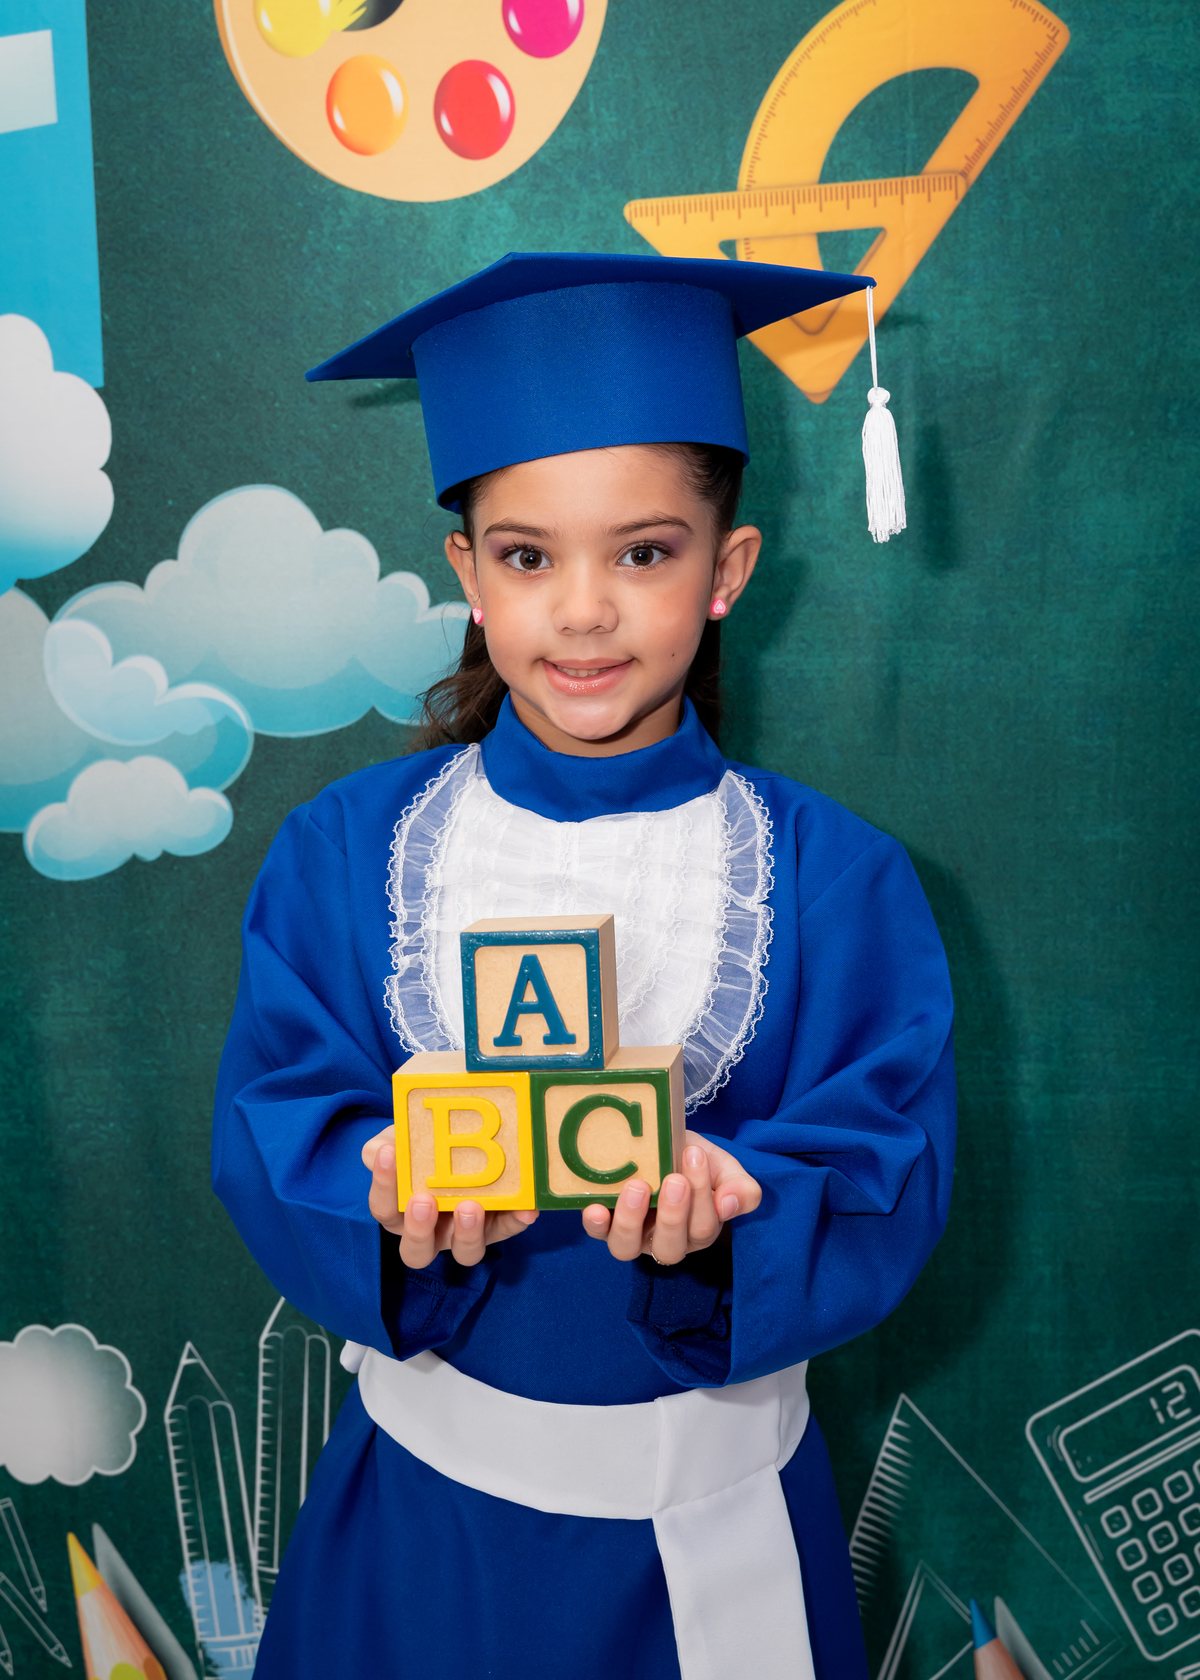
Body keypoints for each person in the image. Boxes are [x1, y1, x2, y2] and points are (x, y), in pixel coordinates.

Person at [213, 253, 956, 1680]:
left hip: (717, 1543)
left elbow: (887, 1156)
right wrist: (385, 1189)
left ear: (728, 569)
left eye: (645, 552)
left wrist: (730, 1209)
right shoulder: (343, 852)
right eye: (527, 556)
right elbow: (274, 1117)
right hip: (419, 1542)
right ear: (468, 576)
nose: (584, 612)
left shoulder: (838, 876)